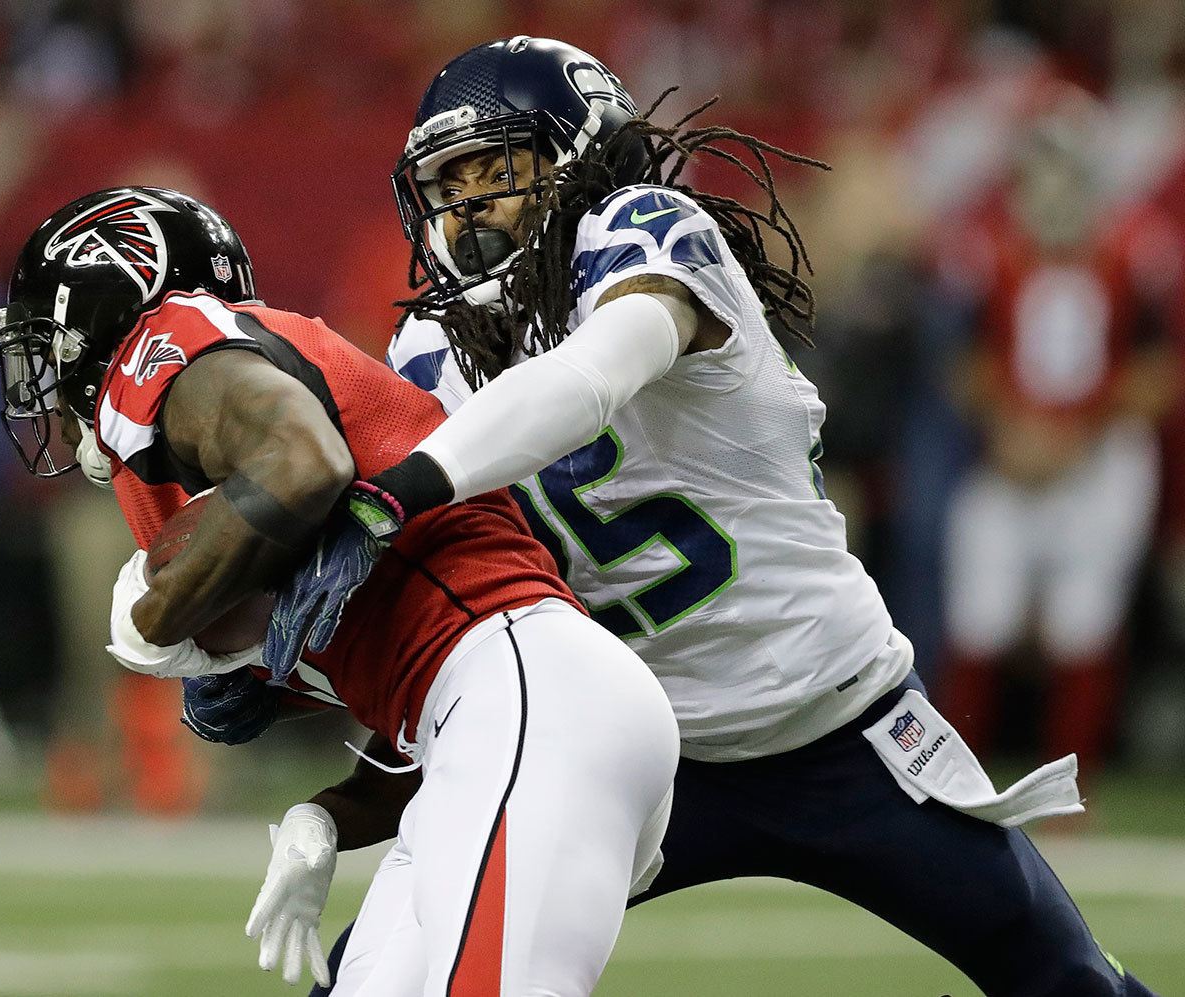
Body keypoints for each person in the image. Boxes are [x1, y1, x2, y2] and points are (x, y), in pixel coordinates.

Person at [306, 37, 1157, 997]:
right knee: (385, 974)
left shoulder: (648, 232)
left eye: (497, 168)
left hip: (838, 722)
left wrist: (405, 482)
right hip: (635, 756)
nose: (468, 207)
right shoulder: (431, 348)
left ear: (581, 157)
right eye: (445, 180)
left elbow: (589, 378)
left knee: (1071, 983)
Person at [0, 185, 679, 994]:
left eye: (52, 341)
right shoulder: (206, 432)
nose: (46, 382)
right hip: (495, 721)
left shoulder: (169, 339)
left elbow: (303, 463)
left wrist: (154, 609)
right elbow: (439, 705)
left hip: (536, 695)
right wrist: (324, 814)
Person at [939, 96, 1178, 777]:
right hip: (1009, 454)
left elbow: (1157, 371)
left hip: (1099, 456)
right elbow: (961, 365)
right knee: (979, 610)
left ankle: (1071, 782)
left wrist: (1077, 434)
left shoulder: (1133, 255)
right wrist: (1010, 427)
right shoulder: (992, 256)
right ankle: (961, 779)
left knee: (1083, 616)